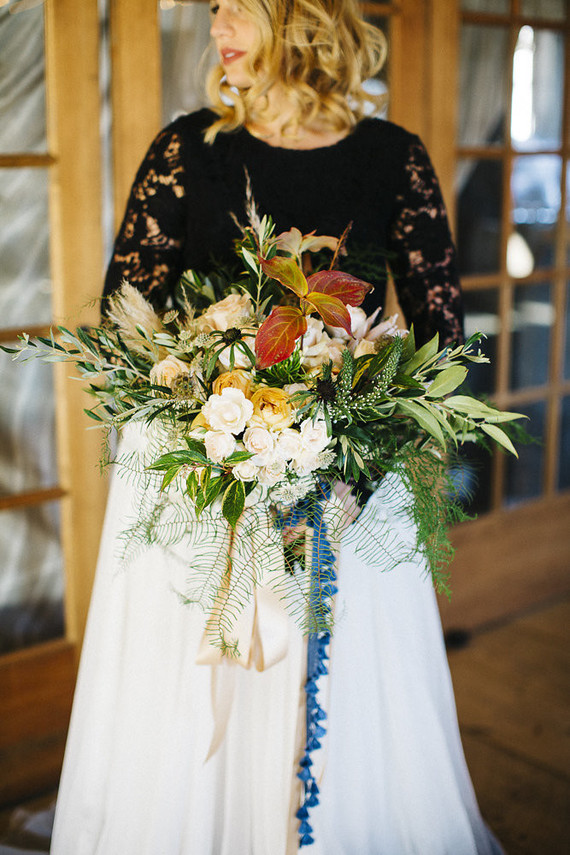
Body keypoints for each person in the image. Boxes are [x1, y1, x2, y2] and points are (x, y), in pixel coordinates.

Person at [50, 1, 502, 853]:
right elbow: (125, 319)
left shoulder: (393, 159)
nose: (217, 26)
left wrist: (362, 423)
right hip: (195, 472)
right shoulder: (189, 149)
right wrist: (201, 401)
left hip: (349, 477)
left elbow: (446, 340)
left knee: (338, 686)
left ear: (300, 19)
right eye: (214, 8)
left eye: (237, 7)